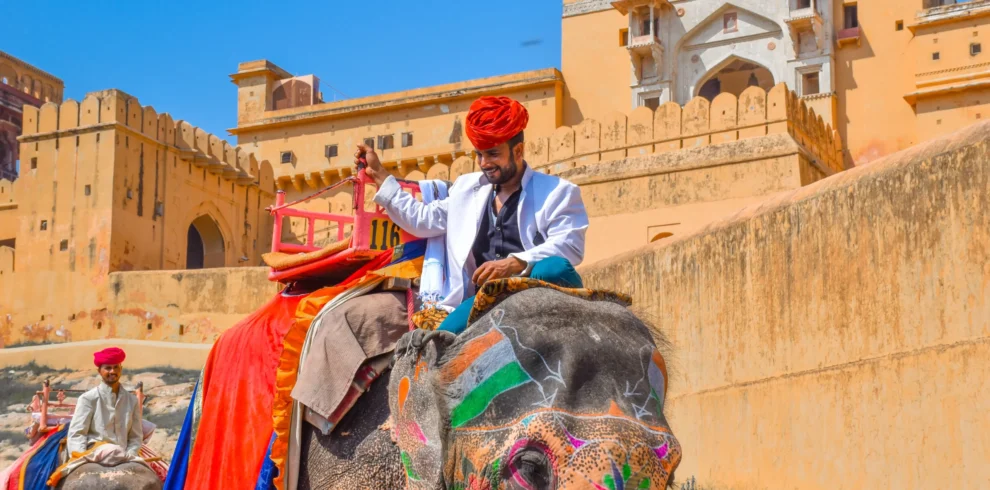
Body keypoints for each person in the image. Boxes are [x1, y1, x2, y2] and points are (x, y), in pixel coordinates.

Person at [356, 95, 589, 334]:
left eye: (493, 154)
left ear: (518, 151)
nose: (484, 162)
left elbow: (569, 245)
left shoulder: (558, 192)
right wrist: (381, 175)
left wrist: (514, 263)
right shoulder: (466, 190)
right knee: (440, 343)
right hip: (484, 299)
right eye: (479, 154)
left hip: (533, 287)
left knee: (554, 268)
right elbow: (423, 219)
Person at [67, 347, 144, 458]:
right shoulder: (88, 399)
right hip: (95, 454)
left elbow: (136, 437)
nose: (112, 371)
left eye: (116, 367)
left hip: (125, 455)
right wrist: (81, 458)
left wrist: (130, 455)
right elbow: (77, 434)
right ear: (99, 371)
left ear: (120, 369)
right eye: (108, 368)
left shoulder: (132, 401)